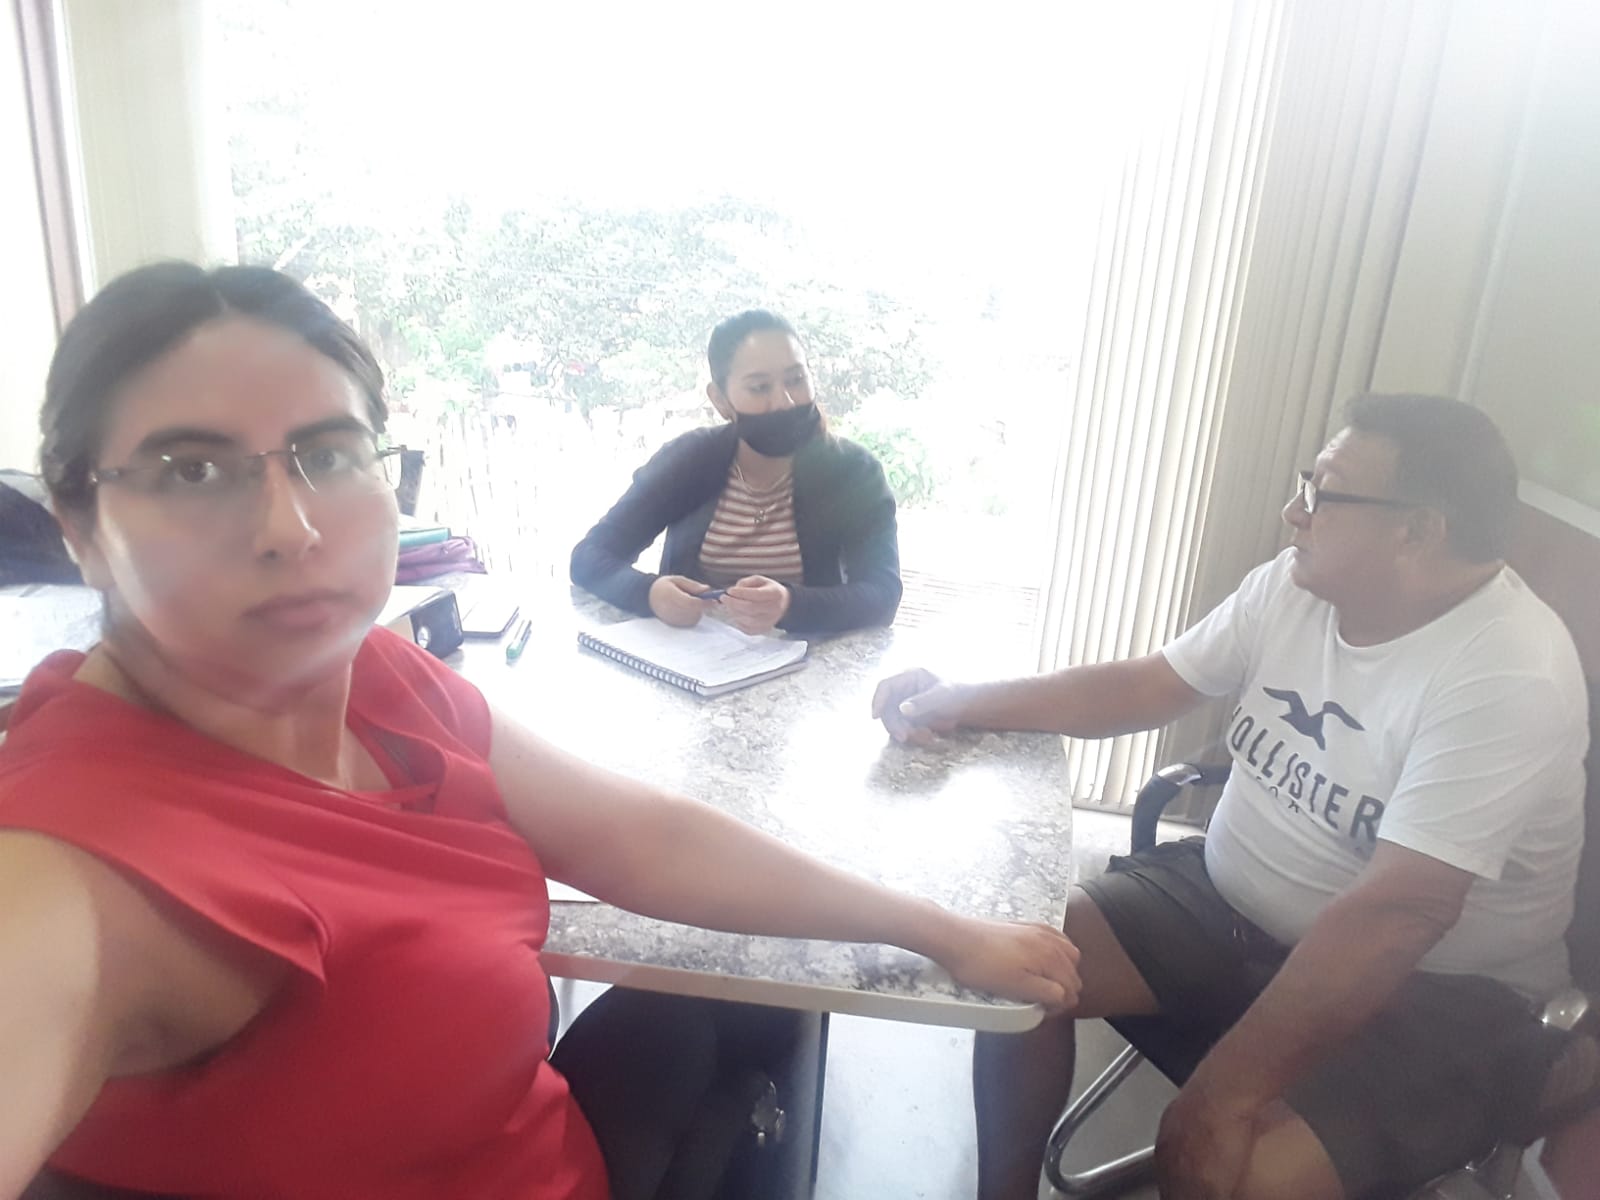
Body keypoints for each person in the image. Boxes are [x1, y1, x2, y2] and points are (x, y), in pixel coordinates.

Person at [0, 263, 1081, 1200]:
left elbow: (642, 838)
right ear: (78, 525)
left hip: (549, 1150)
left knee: (754, 1021)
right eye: (192, 470)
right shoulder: (73, 865)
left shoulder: (370, 672)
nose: (290, 527)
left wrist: (937, 929)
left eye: (325, 454)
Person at [872, 395, 1592, 1200]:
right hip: (1228, 903)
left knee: (1238, 1169)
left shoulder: (1508, 676)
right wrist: (963, 700)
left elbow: (1400, 912)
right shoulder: (1297, 585)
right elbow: (1148, 685)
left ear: (1417, 531)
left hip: (1435, 995)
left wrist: (1223, 1096)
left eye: (1323, 492)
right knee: (1020, 968)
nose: (1294, 512)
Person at [570, 310, 902, 637]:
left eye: (796, 380)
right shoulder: (688, 461)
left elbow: (882, 595)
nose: (785, 402)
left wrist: (790, 605)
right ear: (720, 400)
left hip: (809, 659)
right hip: (692, 656)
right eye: (759, 387)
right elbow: (589, 557)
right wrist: (649, 593)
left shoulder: (854, 473)